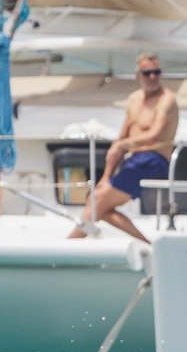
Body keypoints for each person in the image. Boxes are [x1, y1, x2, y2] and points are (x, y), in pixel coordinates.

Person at [67, 51, 179, 242]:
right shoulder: (134, 99)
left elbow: (155, 134)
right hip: (133, 161)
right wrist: (106, 176)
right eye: (147, 73)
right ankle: (147, 244)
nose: (152, 77)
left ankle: (70, 244)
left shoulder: (166, 100)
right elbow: (121, 138)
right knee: (98, 204)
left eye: (156, 72)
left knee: (96, 202)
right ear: (138, 76)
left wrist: (123, 144)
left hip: (153, 160)